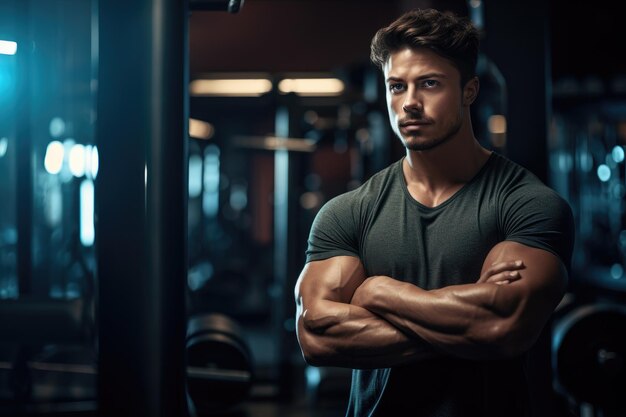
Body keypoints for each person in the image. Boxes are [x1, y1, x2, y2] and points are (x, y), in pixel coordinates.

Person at [294, 8, 574, 417]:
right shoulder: (348, 212)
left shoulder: (527, 204)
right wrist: (466, 329)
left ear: (469, 91)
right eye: (396, 86)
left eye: (429, 84)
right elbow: (317, 335)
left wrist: (380, 292)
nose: (409, 103)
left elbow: (504, 325)